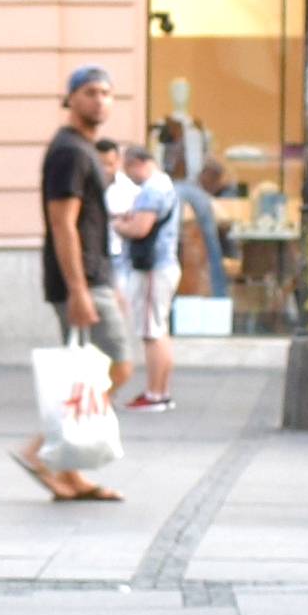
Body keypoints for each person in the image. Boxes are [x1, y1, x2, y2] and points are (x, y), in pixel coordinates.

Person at [16, 64, 135, 504]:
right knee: (117, 366)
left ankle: (69, 470)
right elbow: (62, 225)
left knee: (87, 376)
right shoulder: (69, 151)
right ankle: (41, 452)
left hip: (93, 275)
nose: (100, 100)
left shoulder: (83, 149)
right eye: (90, 92)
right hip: (79, 280)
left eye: (106, 92)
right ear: (70, 99)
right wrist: (80, 289)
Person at [108, 130, 188, 410]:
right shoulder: (164, 185)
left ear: (136, 163)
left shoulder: (152, 190)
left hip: (152, 267)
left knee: (151, 332)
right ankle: (160, 391)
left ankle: (155, 393)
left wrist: (118, 226)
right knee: (159, 329)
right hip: (162, 265)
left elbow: (140, 229)